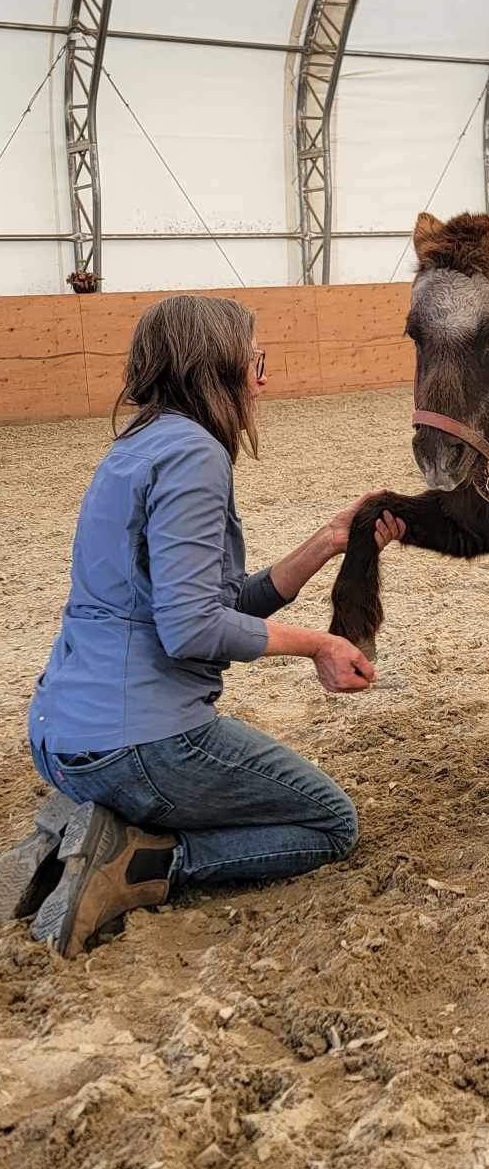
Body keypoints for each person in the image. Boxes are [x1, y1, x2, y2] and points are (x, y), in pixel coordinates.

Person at [0, 294, 405, 958]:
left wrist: (330, 539)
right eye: (256, 361)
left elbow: (213, 605)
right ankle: (139, 865)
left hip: (63, 739)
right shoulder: (194, 455)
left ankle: (72, 835)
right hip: (137, 743)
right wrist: (318, 644)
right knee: (329, 822)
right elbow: (192, 628)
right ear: (214, 367)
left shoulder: (137, 447)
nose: (263, 379)